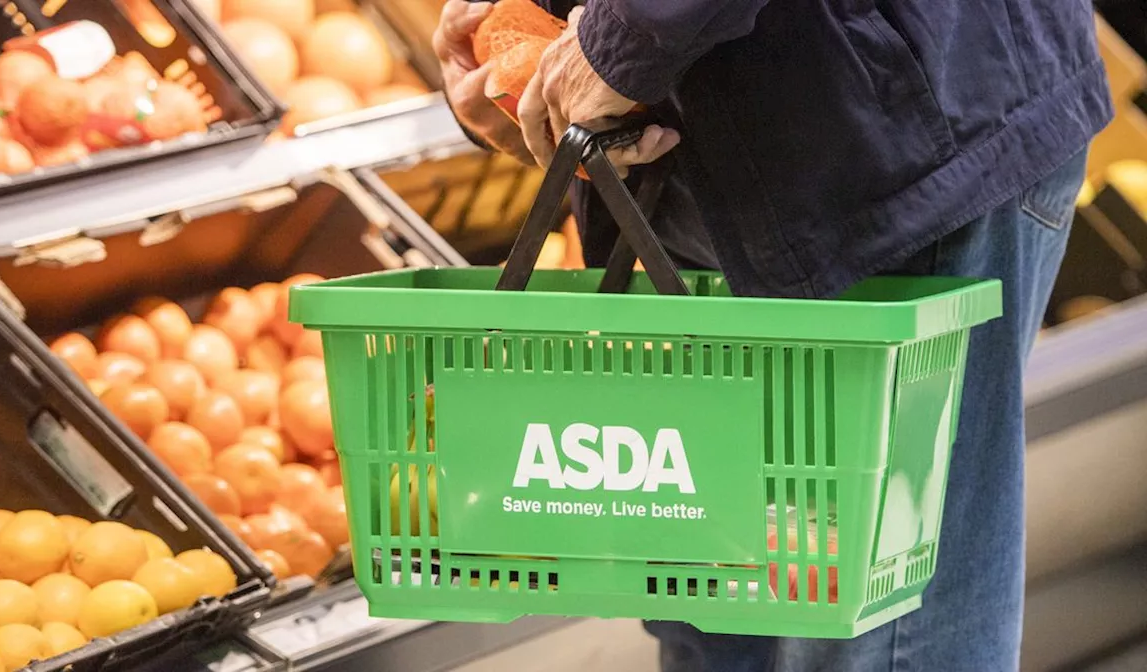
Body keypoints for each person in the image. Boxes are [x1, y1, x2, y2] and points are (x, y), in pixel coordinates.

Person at [435, 1, 1112, 670]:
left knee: (876, 632)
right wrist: (528, 52)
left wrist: (626, 34)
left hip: (892, 142)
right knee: (714, 613)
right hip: (711, 175)